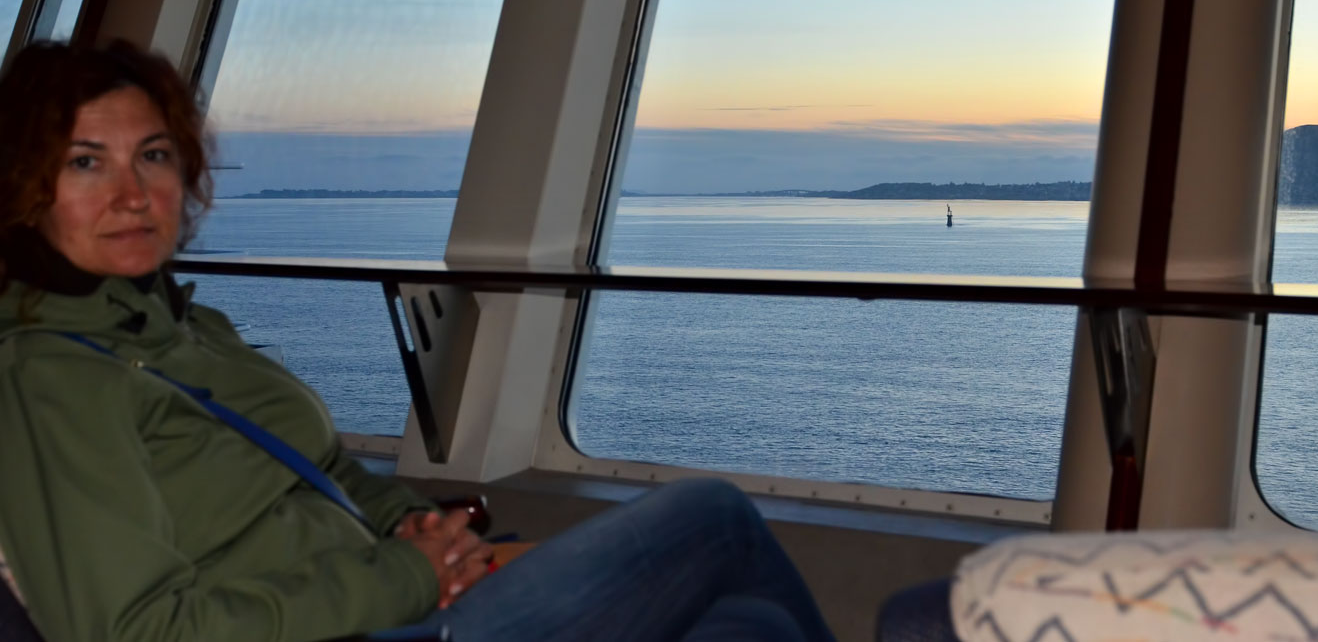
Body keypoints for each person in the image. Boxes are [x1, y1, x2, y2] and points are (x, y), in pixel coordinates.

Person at [0, 41, 836, 642]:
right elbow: (136, 627)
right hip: (360, 623)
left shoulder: (183, 324)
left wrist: (415, 526)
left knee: (748, 623)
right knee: (714, 516)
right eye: (86, 163)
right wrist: (408, 576)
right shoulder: (47, 375)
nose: (134, 193)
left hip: (387, 590)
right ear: (26, 187)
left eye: (152, 155)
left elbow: (318, 471)